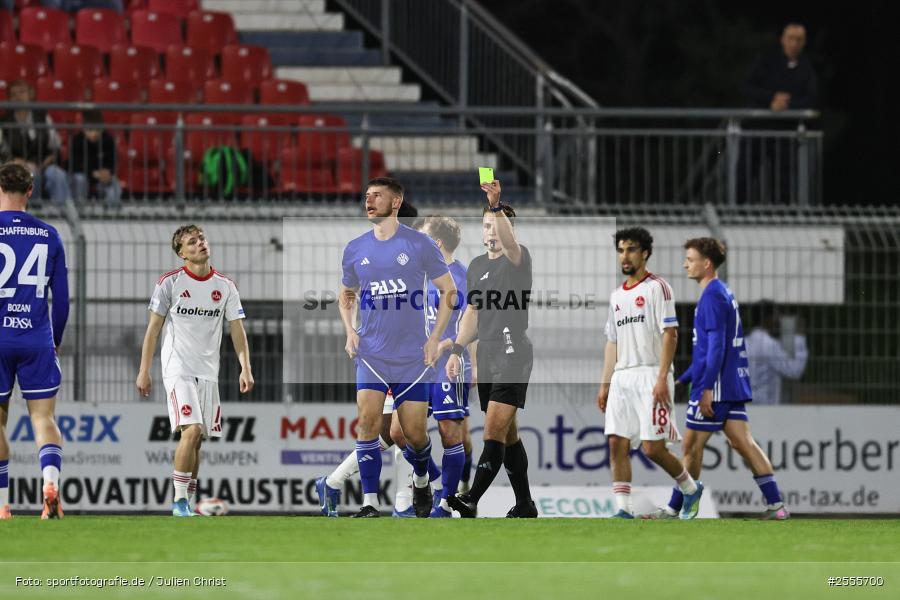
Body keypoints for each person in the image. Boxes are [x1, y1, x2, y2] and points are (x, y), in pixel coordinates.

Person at [338, 177, 457, 518]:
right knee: (367, 423)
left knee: (414, 434)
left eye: (377, 195)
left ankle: (421, 477)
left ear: (396, 201)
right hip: (372, 353)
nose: (368, 200)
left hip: (412, 357)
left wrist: (434, 338)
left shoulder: (419, 245)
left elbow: (449, 292)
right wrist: (350, 331)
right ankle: (370, 502)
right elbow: (346, 294)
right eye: (366, 196)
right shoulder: (356, 248)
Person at [655, 238, 789, 520]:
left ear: (707, 263)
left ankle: (674, 508)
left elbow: (716, 348)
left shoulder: (712, 296)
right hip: (731, 383)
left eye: (690, 259)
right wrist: (683, 380)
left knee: (691, 446)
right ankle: (777, 507)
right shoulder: (723, 292)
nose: (685, 264)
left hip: (715, 387)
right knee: (743, 442)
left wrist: (703, 387)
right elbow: (709, 350)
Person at [135, 224, 254, 517]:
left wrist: (245, 368)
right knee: (193, 430)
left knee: (197, 439)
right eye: (191, 242)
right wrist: (144, 370)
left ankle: (188, 502)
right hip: (178, 367)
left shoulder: (225, 286)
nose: (200, 243)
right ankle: (178, 502)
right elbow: (153, 329)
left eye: (201, 238)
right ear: (181, 253)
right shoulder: (169, 283)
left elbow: (237, 330)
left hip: (208, 371)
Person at [596, 227, 703, 519]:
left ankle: (691, 489)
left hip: (650, 374)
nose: (624, 256)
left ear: (644, 253)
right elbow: (612, 341)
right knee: (616, 442)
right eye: (620, 250)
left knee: (653, 448)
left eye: (630, 249)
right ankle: (623, 510)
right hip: (622, 377)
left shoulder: (658, 287)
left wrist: (661, 377)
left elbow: (670, 334)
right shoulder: (617, 295)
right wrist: (605, 383)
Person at [446, 180, 537, 519]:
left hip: (513, 350)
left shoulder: (517, 257)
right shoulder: (476, 267)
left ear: (508, 230)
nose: (491, 230)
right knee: (508, 434)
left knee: (493, 430)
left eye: (497, 225)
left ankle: (471, 499)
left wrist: (496, 206)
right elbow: (473, 311)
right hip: (487, 352)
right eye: (486, 225)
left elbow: (510, 242)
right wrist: (456, 349)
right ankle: (525, 504)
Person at [0, 162, 70, 519]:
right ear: (30, 191)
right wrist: (52, 340)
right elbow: (62, 301)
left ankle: (1, 506)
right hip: (36, 338)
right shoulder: (49, 235)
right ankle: (50, 484)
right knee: (44, 419)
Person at [414, 215, 474, 517]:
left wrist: (449, 348)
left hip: (449, 364)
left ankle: (446, 501)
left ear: (436, 244)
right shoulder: (422, 276)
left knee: (451, 432)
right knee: (402, 432)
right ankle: (431, 481)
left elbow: (471, 325)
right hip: (416, 367)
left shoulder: (462, 277)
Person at [0, 80, 73, 205]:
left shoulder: (43, 118)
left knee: (57, 174)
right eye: (14, 94)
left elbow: (55, 148)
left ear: (30, 95)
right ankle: (31, 217)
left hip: (42, 165)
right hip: (14, 168)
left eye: (22, 92)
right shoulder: (4, 121)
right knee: (29, 176)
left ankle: (64, 215)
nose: (18, 97)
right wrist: (14, 162)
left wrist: (42, 164)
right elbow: (2, 150)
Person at [745, 300, 808, 405]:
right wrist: (799, 336)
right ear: (767, 319)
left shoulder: (743, 343)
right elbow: (794, 371)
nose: (779, 320)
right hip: (766, 409)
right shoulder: (770, 345)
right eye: (776, 315)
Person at [744, 23, 818, 111]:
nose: (794, 44)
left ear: (804, 42)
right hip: (761, 119)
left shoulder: (808, 67)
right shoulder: (765, 61)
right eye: (790, 38)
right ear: (782, 39)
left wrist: (787, 105)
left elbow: (812, 97)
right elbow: (747, 88)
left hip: (794, 121)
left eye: (799, 39)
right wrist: (772, 98)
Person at [69, 110, 121, 208]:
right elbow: (75, 165)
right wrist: (94, 173)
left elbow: (113, 162)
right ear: (84, 129)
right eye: (90, 130)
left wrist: (108, 172)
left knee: (114, 183)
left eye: (97, 130)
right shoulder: (77, 140)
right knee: (79, 179)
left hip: (102, 179)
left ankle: (112, 211)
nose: (94, 133)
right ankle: (80, 209)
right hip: (85, 177)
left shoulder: (108, 140)